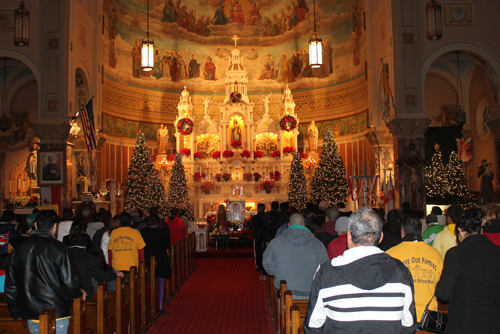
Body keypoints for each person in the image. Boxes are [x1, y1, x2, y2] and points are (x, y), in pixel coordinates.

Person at [304, 207, 417, 334]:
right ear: (380, 238)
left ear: (349, 236)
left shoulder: (327, 273)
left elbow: (313, 327)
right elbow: (408, 326)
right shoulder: (401, 273)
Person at [5, 210, 83, 333]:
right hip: (56, 312)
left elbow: (11, 286)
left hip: (31, 312)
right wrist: (78, 293)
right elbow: (70, 283)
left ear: (35, 225)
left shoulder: (18, 250)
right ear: (55, 227)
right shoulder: (60, 249)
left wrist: (16, 312)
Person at [435, 206, 500, 334]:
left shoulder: (455, 254)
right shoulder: (497, 252)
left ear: (460, 230)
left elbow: (444, 293)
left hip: (465, 321)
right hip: (494, 322)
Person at [386, 216, 443, 321]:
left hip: (400, 316)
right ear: (421, 231)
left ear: (402, 232)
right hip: (429, 316)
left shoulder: (390, 254)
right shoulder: (436, 255)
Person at [263, 213, 328, 300]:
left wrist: (279, 272)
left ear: (289, 225)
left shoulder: (277, 242)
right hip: (311, 292)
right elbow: (325, 267)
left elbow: (267, 263)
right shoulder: (317, 244)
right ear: (304, 225)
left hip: (285, 292)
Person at [68, 230, 122, 302]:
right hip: (85, 294)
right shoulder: (87, 259)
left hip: (67, 294)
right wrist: (115, 274)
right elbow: (101, 276)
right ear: (84, 245)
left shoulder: (64, 256)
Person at [141, 215, 171, 309]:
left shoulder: (143, 232)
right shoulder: (163, 232)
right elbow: (167, 245)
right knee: (160, 282)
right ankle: (159, 305)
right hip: (161, 257)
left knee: (148, 281)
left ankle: (149, 305)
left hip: (148, 258)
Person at [251, 203, 269, 275]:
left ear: (258, 209)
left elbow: (252, 224)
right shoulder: (266, 216)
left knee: (258, 251)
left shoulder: (255, 217)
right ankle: (265, 266)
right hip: (265, 237)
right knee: (265, 251)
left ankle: (259, 266)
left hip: (257, 236)